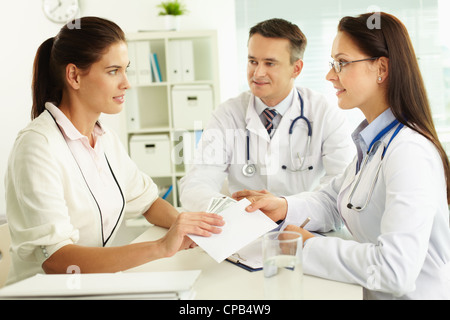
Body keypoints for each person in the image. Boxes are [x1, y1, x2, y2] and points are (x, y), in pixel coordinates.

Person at [236, 12, 450, 300]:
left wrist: (308, 245)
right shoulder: (375, 143)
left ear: (381, 69)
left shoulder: (409, 152)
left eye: (341, 63)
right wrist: (282, 207)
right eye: (332, 63)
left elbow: (395, 271)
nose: (329, 75)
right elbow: (335, 201)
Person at [4, 17, 224, 285]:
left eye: (125, 69)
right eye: (113, 71)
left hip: (93, 285)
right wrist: (161, 247)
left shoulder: (105, 139)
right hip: (46, 291)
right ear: (74, 75)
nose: (126, 83)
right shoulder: (37, 146)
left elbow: (148, 202)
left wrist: (191, 228)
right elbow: (57, 260)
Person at [179, 18, 354, 212]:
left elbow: (342, 184)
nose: (258, 73)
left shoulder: (324, 113)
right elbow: (196, 184)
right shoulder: (227, 114)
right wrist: (234, 210)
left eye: (270, 63)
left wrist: (287, 209)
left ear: (296, 68)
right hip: (243, 223)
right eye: (253, 61)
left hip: (305, 223)